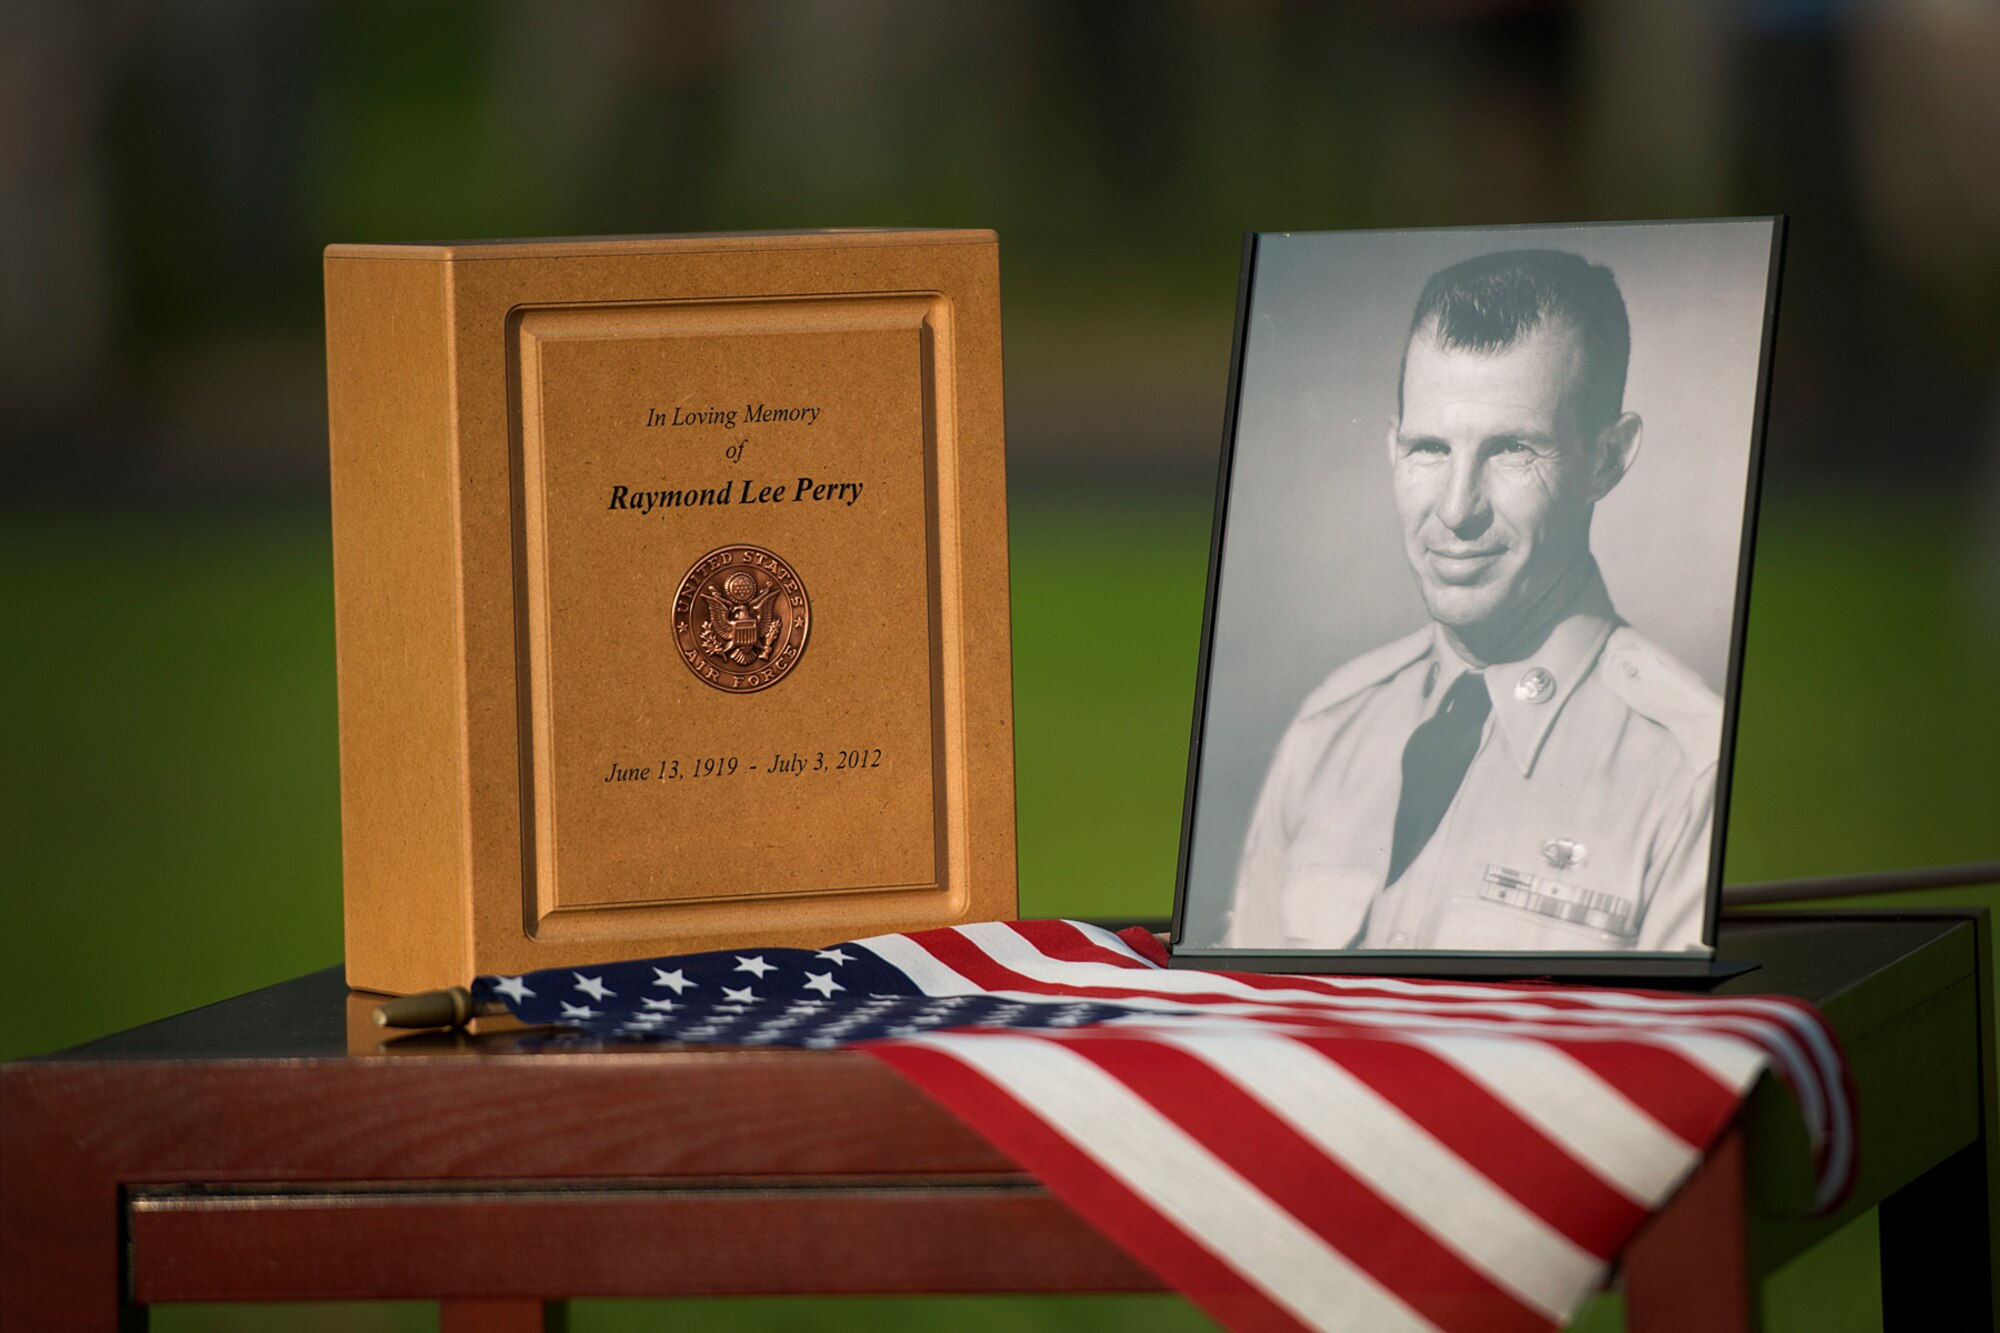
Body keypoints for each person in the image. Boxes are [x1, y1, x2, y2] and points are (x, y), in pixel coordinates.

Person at [1221, 249, 1720, 954]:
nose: (1456, 510)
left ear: (1607, 458)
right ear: (1393, 449)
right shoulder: (1327, 733)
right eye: (1429, 448)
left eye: (1512, 449)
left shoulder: (1687, 771)